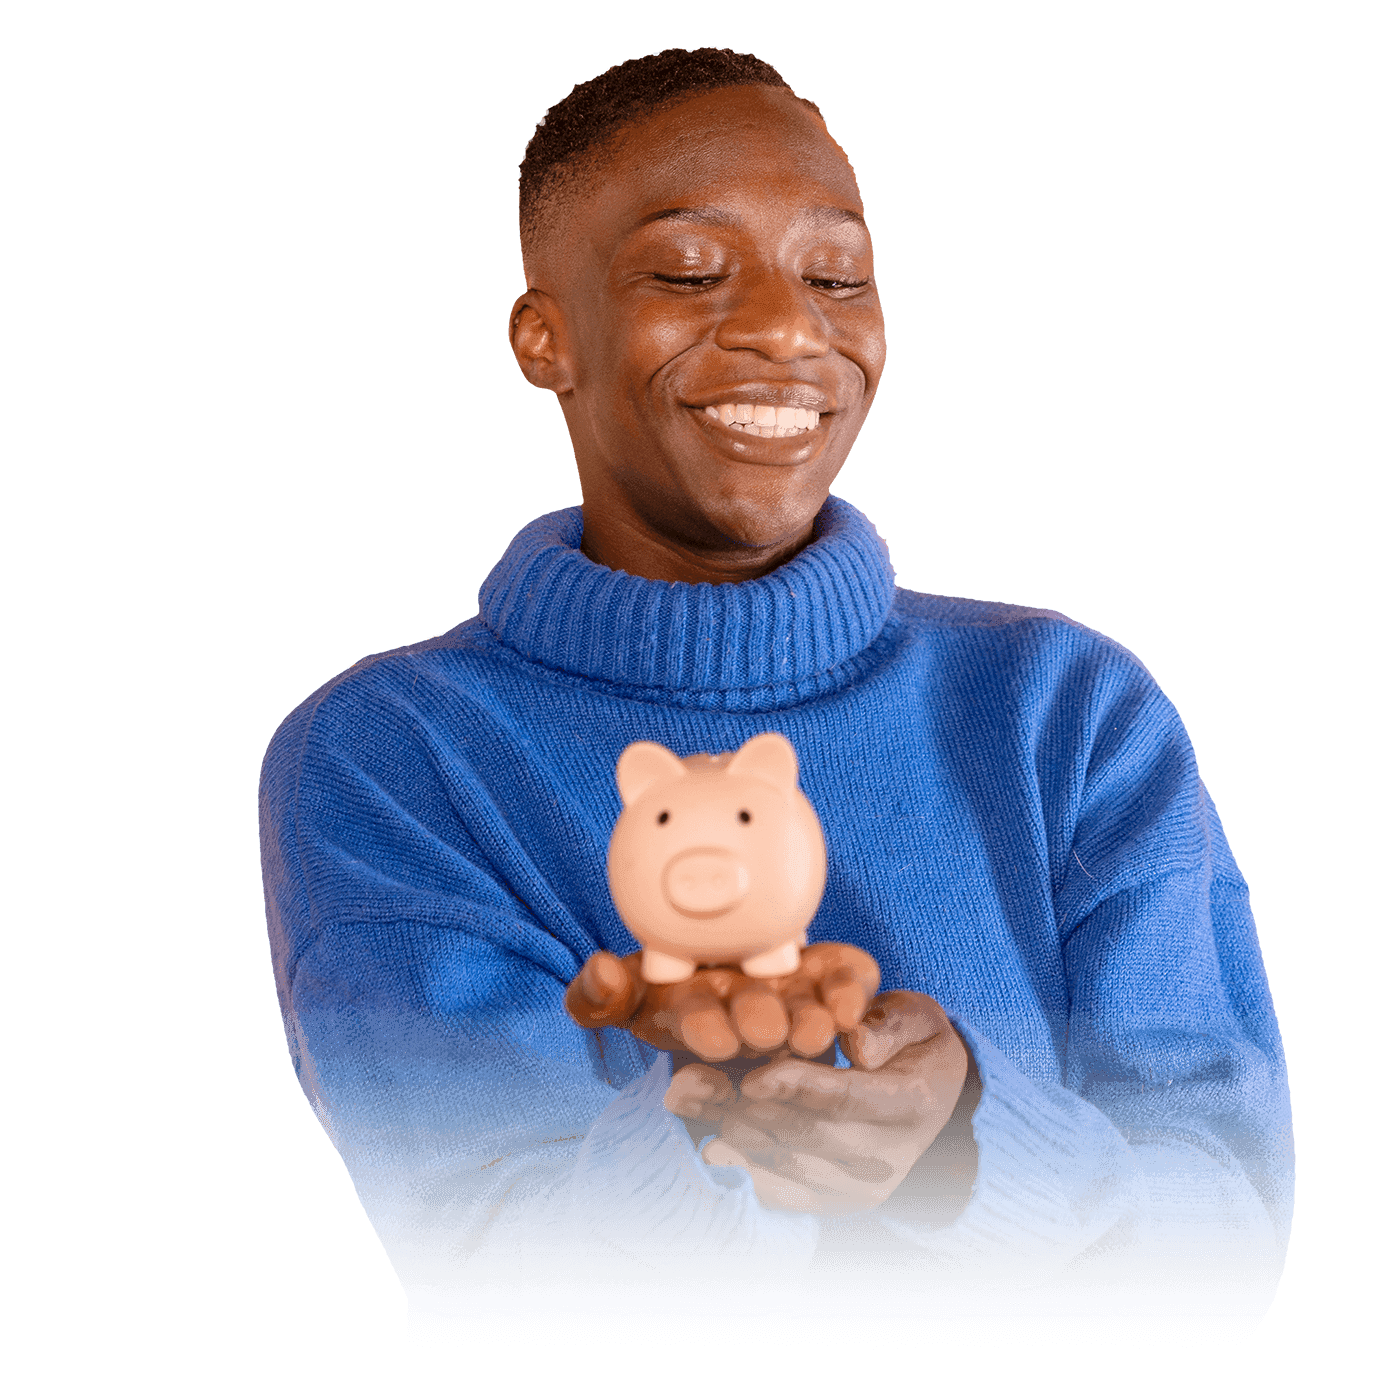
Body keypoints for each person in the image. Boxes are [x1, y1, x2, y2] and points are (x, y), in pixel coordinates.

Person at [259, 48, 1292, 1319]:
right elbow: (481, 1263)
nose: (784, 328)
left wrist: (965, 1145)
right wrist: (716, 1126)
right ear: (545, 336)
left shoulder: (1066, 708)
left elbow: (1229, 1242)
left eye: (834, 274)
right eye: (689, 270)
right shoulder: (394, 755)